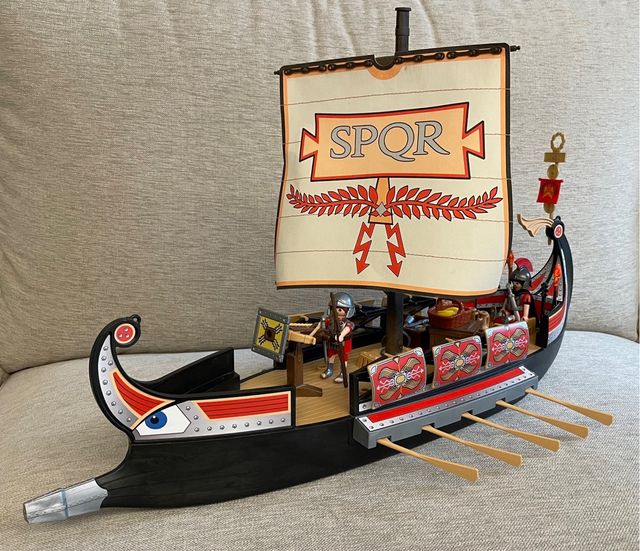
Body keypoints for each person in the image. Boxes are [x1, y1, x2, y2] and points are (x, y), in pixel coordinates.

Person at [311, 292, 355, 384]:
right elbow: (324, 323)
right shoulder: (331, 320)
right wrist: (319, 325)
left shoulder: (347, 322)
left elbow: (348, 328)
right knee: (331, 355)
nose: (336, 311)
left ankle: (343, 373)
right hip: (332, 340)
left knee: (343, 357)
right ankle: (329, 369)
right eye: (334, 308)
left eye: (339, 309)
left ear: (348, 311)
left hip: (343, 343)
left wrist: (341, 335)